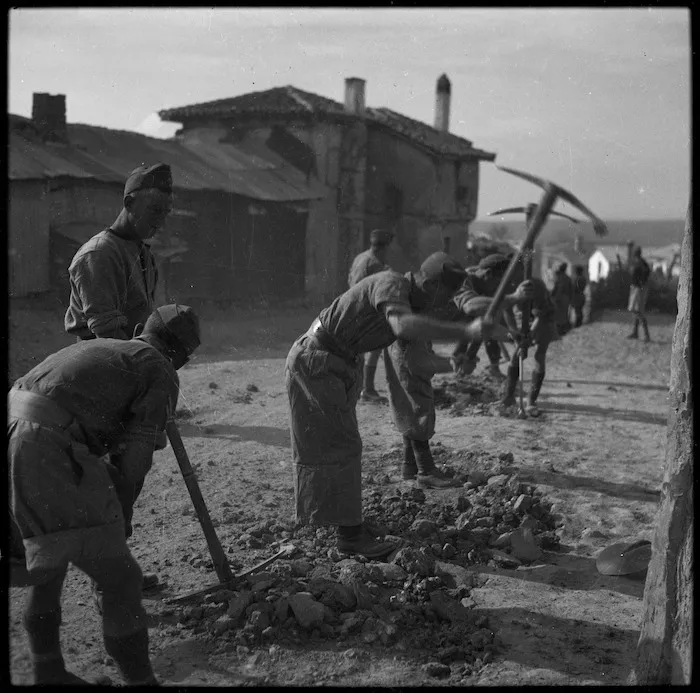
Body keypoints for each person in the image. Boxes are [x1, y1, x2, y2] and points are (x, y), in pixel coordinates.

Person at [8, 304, 201, 686]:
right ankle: (141, 681)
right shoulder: (159, 367)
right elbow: (134, 460)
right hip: (44, 445)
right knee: (121, 580)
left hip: (13, 430)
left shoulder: (111, 347)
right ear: (180, 354)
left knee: (48, 562)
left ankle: (48, 671)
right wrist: (120, 516)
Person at [285, 252, 511, 559]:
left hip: (336, 364)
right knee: (338, 445)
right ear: (430, 285)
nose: (440, 305)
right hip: (317, 360)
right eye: (444, 296)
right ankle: (349, 537)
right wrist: (466, 332)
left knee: (337, 445)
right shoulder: (392, 285)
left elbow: (416, 357)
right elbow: (404, 326)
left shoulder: (408, 304)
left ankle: (343, 524)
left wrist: (455, 360)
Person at [64, 162, 173, 590]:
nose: (160, 219)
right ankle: (109, 575)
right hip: (99, 377)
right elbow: (106, 331)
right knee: (111, 478)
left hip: (134, 373)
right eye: (153, 209)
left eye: (166, 212)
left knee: (130, 475)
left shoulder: (142, 254)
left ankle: (117, 566)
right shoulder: (98, 255)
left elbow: (147, 318)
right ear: (128, 202)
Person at [450, 254, 534, 378]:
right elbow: (470, 307)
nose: (500, 287)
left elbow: (501, 314)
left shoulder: (492, 284)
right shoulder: (462, 279)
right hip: (432, 324)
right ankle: (458, 362)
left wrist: (514, 336)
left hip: (469, 325)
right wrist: (515, 297)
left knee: (488, 325)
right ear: (488, 274)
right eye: (500, 282)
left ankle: (470, 365)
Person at [500, 274, 557, 417]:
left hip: (544, 320)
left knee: (539, 355)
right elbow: (506, 310)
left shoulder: (536, 287)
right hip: (522, 319)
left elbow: (540, 315)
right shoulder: (509, 285)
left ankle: (531, 400)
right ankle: (508, 397)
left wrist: (530, 335)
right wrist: (515, 334)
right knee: (516, 356)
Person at [347, 228, 394, 402]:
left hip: (354, 306)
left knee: (362, 351)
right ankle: (367, 389)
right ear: (384, 247)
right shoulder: (374, 263)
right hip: (365, 309)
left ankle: (361, 387)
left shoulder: (361, 257)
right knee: (373, 349)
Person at [627, 247, 652, 342]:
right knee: (637, 310)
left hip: (638, 289)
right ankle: (635, 332)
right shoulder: (641, 263)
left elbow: (646, 273)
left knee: (636, 310)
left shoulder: (640, 263)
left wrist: (641, 283)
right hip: (636, 288)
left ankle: (646, 335)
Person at [551, 262, 573, 336]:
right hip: (565, 298)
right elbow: (570, 290)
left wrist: (555, 297)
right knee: (563, 315)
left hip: (560, 297)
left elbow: (558, 288)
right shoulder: (567, 278)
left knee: (559, 315)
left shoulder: (559, 277)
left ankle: (559, 331)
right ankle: (562, 330)